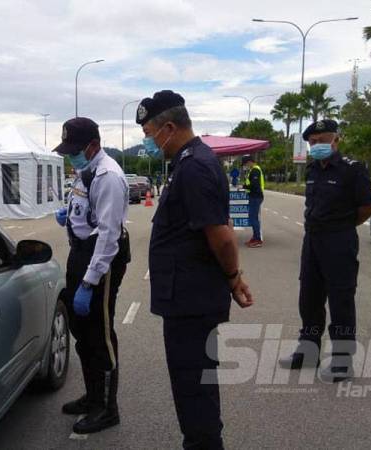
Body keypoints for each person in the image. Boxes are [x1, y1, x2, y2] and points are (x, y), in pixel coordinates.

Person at [136, 90, 253, 449]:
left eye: (149, 135)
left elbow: (220, 235)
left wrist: (234, 278)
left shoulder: (196, 166)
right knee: (193, 382)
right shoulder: (190, 162)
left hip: (192, 300)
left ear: (169, 127)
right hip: (187, 296)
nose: (148, 144)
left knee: (193, 385)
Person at [279, 119, 371, 383]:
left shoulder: (352, 170)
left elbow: (366, 208)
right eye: (312, 141)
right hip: (312, 241)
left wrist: (341, 227)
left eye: (322, 140)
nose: (317, 145)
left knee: (341, 300)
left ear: (336, 140)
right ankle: (308, 350)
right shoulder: (313, 170)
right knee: (309, 298)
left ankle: (343, 360)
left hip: (339, 241)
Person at [53, 117, 130, 435]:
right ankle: (92, 394)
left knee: (99, 333)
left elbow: (109, 235)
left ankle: (107, 408)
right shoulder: (86, 170)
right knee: (81, 329)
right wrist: (69, 217)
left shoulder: (108, 174)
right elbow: (87, 209)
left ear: (93, 145)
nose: (71, 156)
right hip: (82, 250)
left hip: (103, 257)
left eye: (75, 150)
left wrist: (90, 280)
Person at [241, 155, 265, 248]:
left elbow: (254, 185)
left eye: (246, 164)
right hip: (254, 196)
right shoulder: (253, 170)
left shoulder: (255, 170)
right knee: (252, 218)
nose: (245, 166)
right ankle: (255, 237)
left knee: (253, 218)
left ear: (250, 162)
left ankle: (258, 239)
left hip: (256, 197)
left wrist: (244, 187)